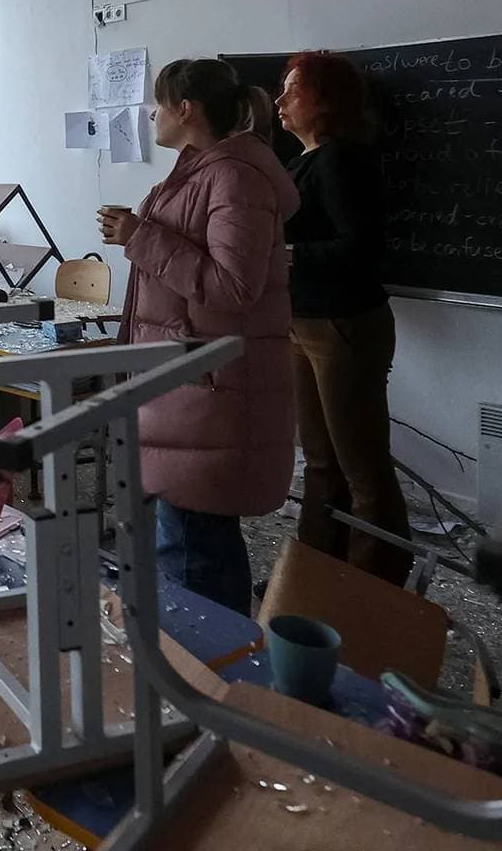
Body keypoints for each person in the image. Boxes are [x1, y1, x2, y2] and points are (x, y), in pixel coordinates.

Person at [98, 58, 298, 615]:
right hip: (190, 385)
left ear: (186, 109)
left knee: (192, 546)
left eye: (159, 104)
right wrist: (138, 234)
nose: (152, 116)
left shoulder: (233, 176)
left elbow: (234, 286)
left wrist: (139, 236)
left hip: (209, 389)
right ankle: (206, 667)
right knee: (189, 536)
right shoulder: (200, 171)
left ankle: (209, 680)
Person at [276, 51, 412, 585]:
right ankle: (313, 580)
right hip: (305, 321)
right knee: (320, 463)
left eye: (293, 89)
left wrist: (284, 254)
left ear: (327, 100)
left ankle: (372, 590)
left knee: (363, 470)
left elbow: (361, 247)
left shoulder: (341, 160)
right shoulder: (301, 162)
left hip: (343, 325)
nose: (281, 100)